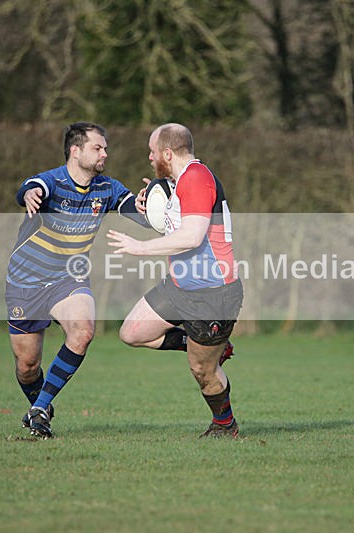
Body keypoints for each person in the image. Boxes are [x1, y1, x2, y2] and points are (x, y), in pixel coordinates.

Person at [6, 121, 144, 439]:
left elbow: (137, 212)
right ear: (76, 151)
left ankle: (41, 409)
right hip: (25, 282)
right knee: (27, 366)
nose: (105, 153)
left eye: (105, 148)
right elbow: (30, 188)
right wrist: (30, 194)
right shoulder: (52, 181)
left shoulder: (107, 188)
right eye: (98, 148)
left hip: (68, 276)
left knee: (82, 332)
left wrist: (157, 204)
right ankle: (38, 404)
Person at [107, 123, 244, 438]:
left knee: (203, 370)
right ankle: (208, 346)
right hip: (180, 286)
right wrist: (152, 206)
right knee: (133, 332)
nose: (150, 158)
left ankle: (225, 424)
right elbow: (174, 223)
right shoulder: (179, 182)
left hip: (213, 294)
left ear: (167, 153)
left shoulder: (196, 178)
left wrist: (140, 248)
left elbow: (192, 237)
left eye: (152, 152)